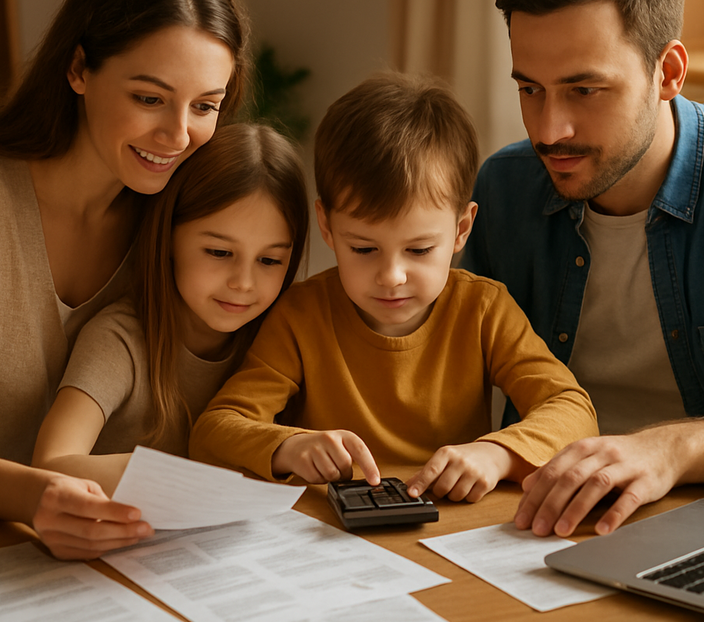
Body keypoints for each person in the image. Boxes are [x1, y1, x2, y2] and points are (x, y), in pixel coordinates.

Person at [462, 0, 704, 538]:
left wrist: (670, 449)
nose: (548, 130)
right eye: (530, 89)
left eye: (584, 90)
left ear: (668, 73)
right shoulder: (504, 191)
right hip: (537, 524)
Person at [0, 0, 247, 556]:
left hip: (115, 561)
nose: (177, 135)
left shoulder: (187, 226)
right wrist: (37, 498)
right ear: (79, 68)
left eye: (206, 105)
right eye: (149, 98)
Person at [189, 73, 597, 501]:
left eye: (419, 250)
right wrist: (286, 447)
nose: (391, 276)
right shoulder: (302, 315)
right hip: (331, 537)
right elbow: (214, 430)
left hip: (449, 528)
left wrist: (497, 455)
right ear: (327, 226)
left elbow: (572, 409)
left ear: (461, 230)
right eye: (364, 249)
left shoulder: (482, 308)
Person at [31, 123, 309, 496]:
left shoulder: (283, 336)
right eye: (219, 253)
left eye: (270, 260)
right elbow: (52, 464)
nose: (243, 282)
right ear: (169, 238)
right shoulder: (121, 339)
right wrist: (175, 476)